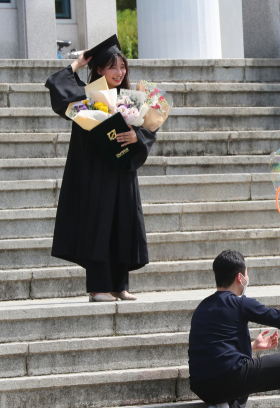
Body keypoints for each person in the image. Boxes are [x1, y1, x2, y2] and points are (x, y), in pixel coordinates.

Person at [45, 35, 157, 302]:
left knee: (123, 224)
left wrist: (136, 137)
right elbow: (57, 86)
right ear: (98, 69)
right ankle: (98, 288)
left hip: (123, 173)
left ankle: (120, 286)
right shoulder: (87, 97)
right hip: (95, 174)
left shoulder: (130, 99)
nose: (119, 72)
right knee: (99, 225)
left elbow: (148, 130)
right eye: (112, 67)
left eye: (122, 67)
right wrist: (77, 63)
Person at [188, 250, 280, 408]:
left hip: (202, 387)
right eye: (246, 274)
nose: (247, 279)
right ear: (240, 277)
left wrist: (253, 346)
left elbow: (214, 350)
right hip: (229, 378)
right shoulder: (240, 303)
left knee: (243, 366)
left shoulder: (201, 308)